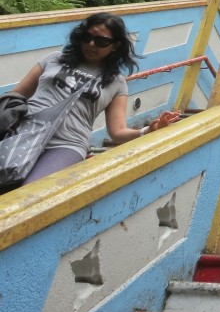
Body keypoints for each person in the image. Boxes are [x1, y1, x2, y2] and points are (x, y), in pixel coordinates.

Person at [7, 13, 179, 186]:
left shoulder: (116, 83)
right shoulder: (54, 59)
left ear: (115, 46)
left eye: (101, 41)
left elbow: (117, 132)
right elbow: (17, 96)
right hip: (26, 132)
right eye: (87, 37)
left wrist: (148, 130)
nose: (91, 44)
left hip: (67, 144)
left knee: (31, 191)